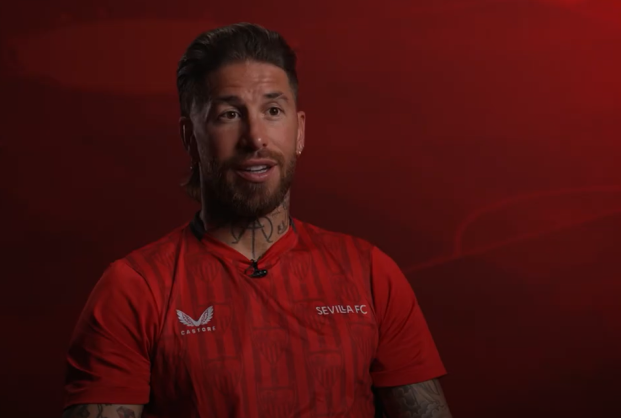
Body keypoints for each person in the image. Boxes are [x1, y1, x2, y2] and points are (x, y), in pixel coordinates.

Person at [61, 22, 452, 418]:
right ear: (190, 137)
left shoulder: (369, 273)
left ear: (299, 131)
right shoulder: (134, 289)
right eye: (229, 114)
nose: (256, 137)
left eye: (273, 111)